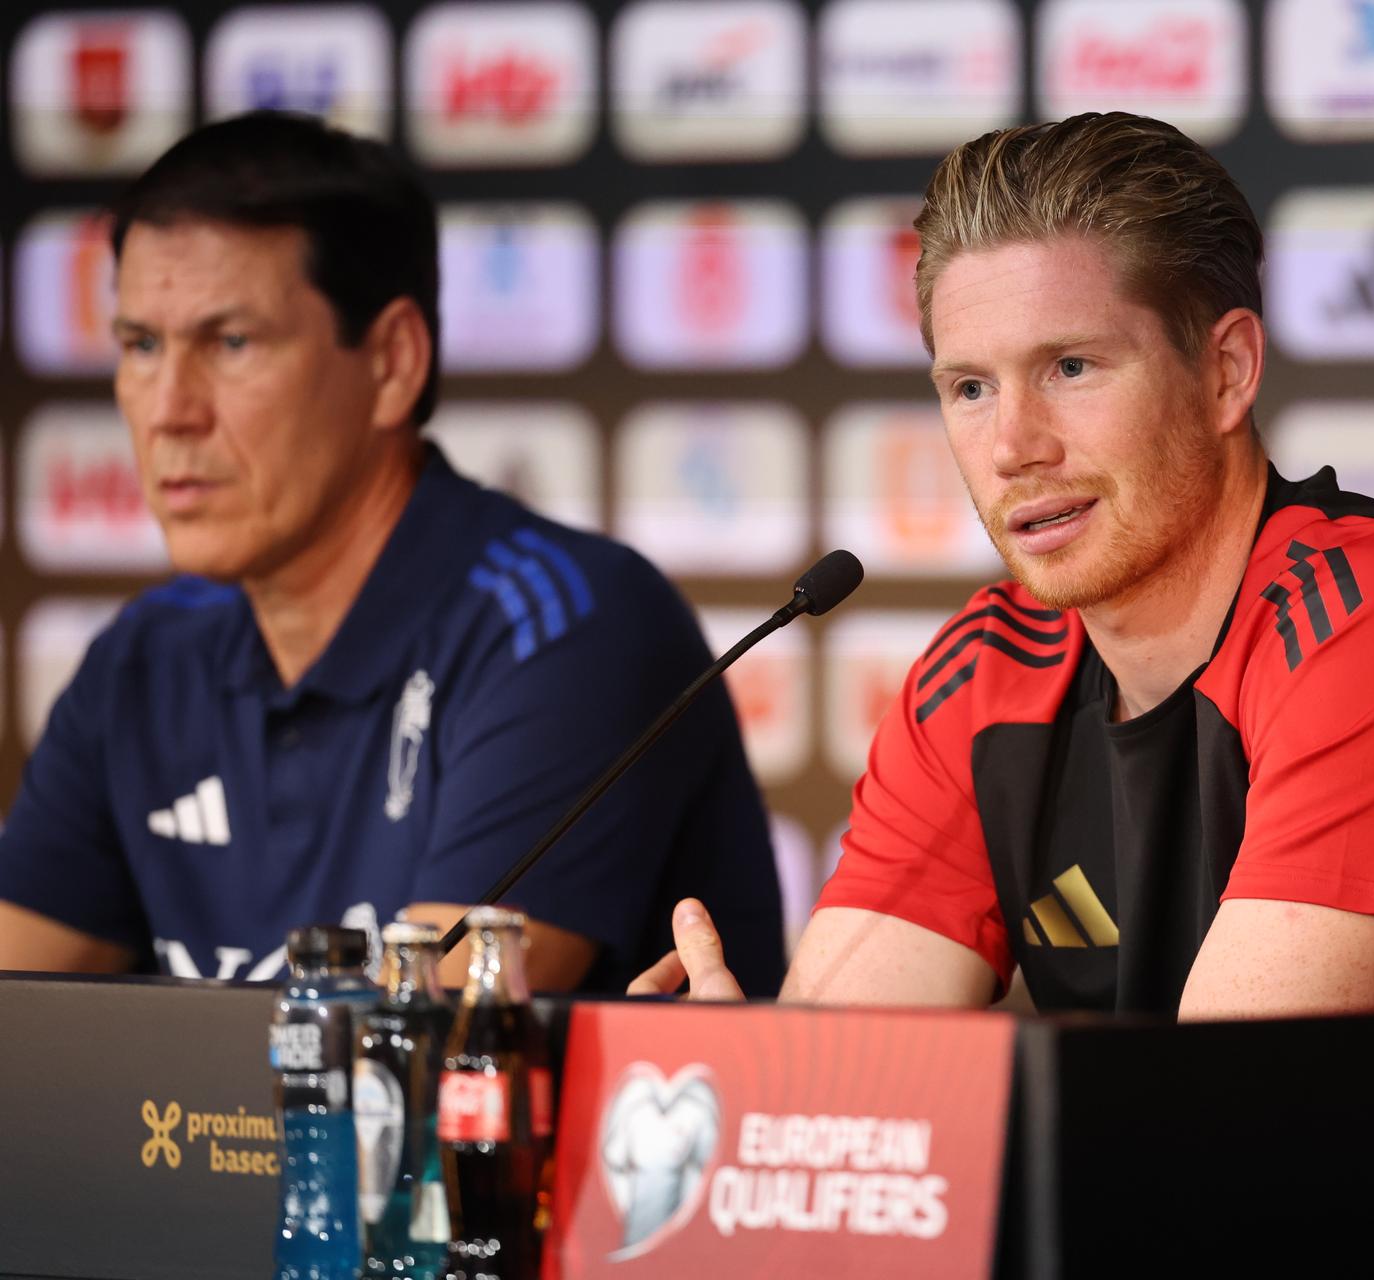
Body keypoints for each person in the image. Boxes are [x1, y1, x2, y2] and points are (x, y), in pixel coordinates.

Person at [633, 112, 1374, 1018]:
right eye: (968, 387)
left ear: (1227, 371)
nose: (1013, 445)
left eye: (1072, 366)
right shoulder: (981, 675)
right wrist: (761, 1101)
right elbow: (850, 1075)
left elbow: (1219, 1122)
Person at [0, 112, 785, 995]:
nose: (169, 410)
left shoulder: (571, 628)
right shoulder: (143, 659)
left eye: (230, 343)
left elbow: (408, 1064)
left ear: (391, 363)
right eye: (141, 345)